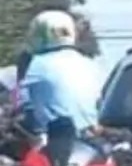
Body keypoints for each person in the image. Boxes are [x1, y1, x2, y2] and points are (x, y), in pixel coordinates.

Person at [17, 10, 104, 146]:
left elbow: (22, 105)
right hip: (90, 140)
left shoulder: (36, 63)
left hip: (49, 142)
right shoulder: (89, 64)